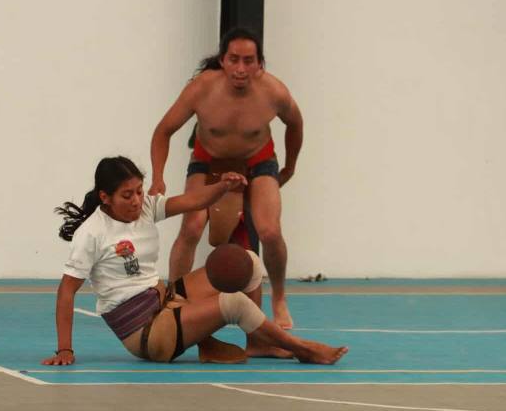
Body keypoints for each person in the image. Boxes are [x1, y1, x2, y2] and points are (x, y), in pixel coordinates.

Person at [43, 156, 346, 367]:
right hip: (147, 334)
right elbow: (66, 292)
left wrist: (223, 186)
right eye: (127, 195)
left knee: (248, 262)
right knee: (234, 304)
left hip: (165, 301)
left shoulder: (146, 207)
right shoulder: (92, 233)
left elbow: (193, 201)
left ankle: (258, 342)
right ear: (105, 197)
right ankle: (303, 349)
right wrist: (66, 349)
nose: (136, 200)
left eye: (138, 191)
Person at [150, 27, 301, 330]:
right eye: (234, 60)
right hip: (209, 161)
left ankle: (280, 299)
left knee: (270, 231)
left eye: (249, 61)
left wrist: (290, 167)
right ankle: (174, 298)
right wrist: (158, 177)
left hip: (259, 161)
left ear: (260, 64)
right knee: (191, 226)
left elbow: (295, 124)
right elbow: (163, 131)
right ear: (223, 60)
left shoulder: (275, 92)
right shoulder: (202, 88)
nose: (241, 69)